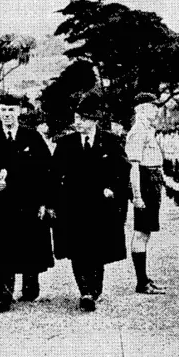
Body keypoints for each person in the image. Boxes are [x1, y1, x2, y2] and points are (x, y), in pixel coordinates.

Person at [0, 94, 54, 313]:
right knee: (0, 248)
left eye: (11, 110)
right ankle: (1, 296)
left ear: (19, 111)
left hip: (27, 202)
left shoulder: (32, 136)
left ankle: (30, 287)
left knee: (29, 244)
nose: (7, 114)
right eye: (3, 110)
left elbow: (46, 170)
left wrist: (43, 202)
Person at [51, 92, 130, 311]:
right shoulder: (66, 143)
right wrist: (53, 202)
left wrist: (112, 188)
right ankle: (85, 291)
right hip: (73, 206)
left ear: (94, 120)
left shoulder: (110, 141)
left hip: (100, 207)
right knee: (77, 249)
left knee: (97, 250)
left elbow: (123, 170)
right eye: (76, 118)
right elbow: (54, 173)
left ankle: (95, 289)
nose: (78, 123)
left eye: (83, 119)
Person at [125, 93, 167, 295]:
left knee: (146, 231)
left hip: (152, 180)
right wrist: (137, 195)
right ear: (140, 109)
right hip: (145, 181)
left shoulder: (147, 130)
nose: (156, 110)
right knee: (141, 231)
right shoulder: (138, 132)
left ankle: (145, 278)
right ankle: (141, 281)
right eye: (152, 106)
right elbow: (133, 166)